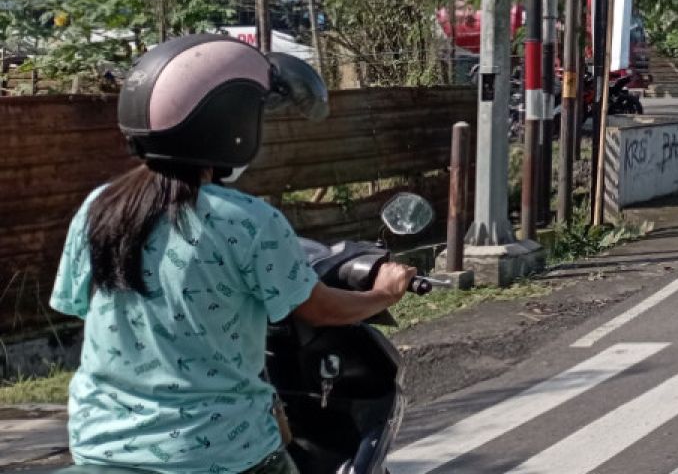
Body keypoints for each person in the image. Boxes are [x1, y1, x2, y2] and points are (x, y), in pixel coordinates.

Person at [50, 34, 417, 474]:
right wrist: (384, 293)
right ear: (229, 122)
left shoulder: (100, 207)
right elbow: (320, 310)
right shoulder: (248, 221)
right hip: (218, 454)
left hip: (99, 447)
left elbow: (79, 308)